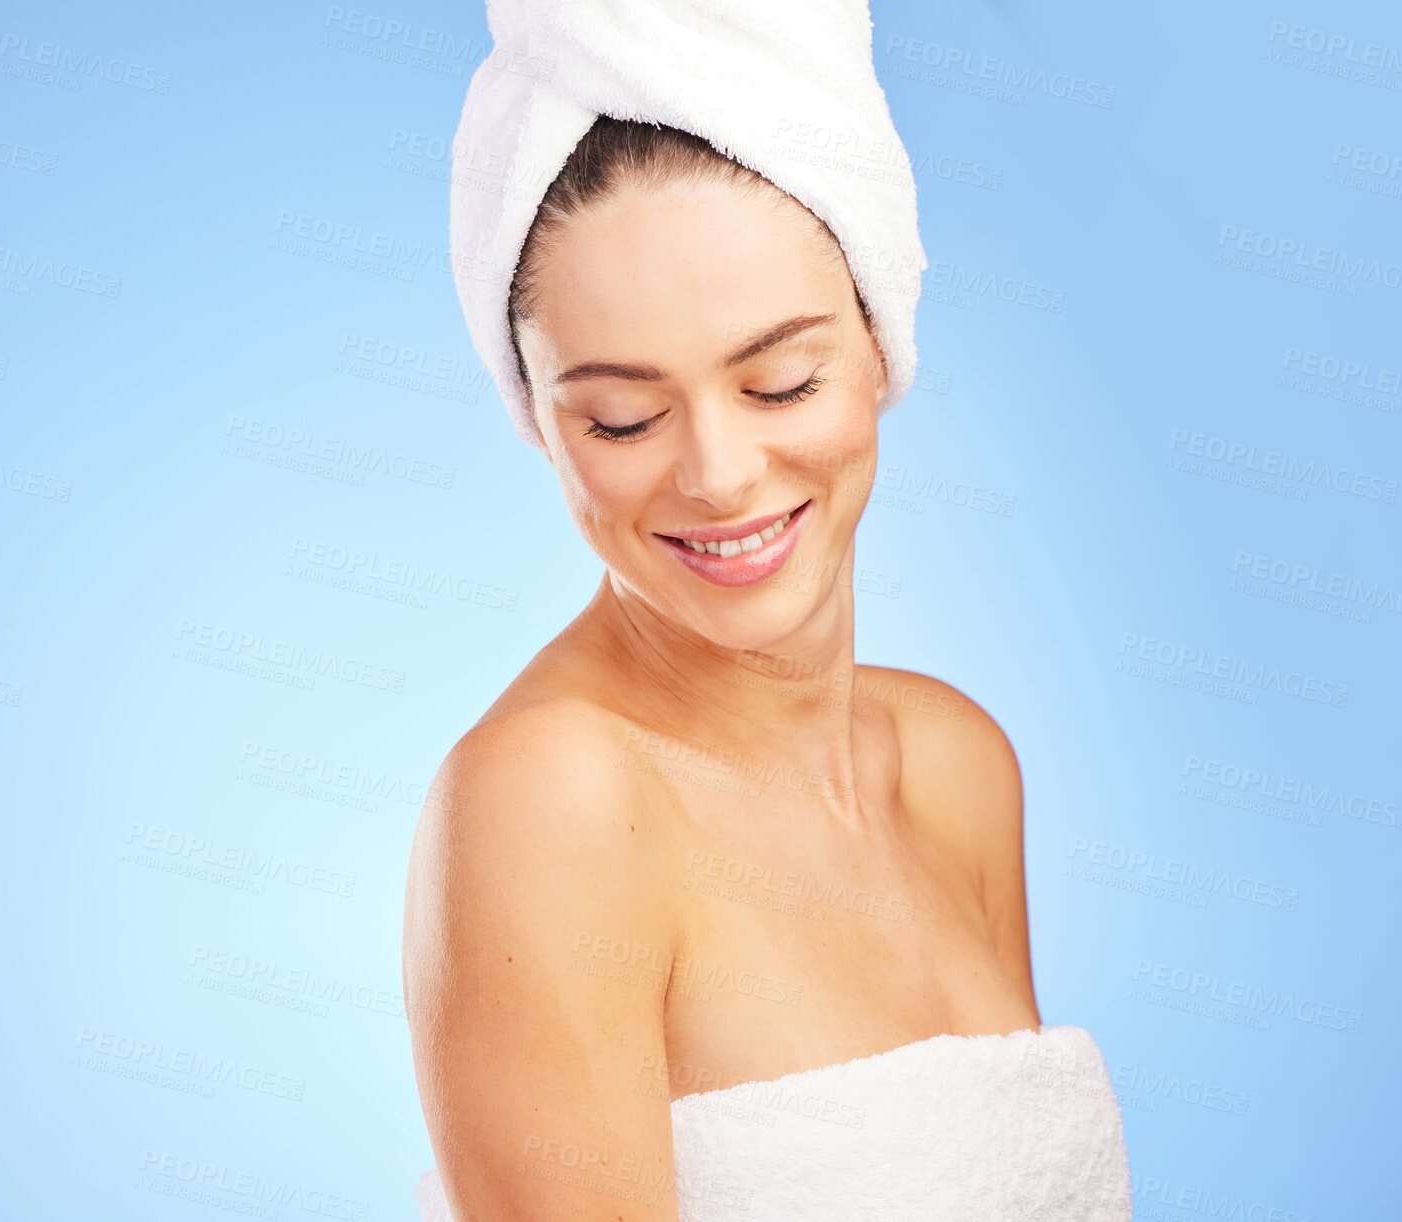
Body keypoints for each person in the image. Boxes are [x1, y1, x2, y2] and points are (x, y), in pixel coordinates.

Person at [406, 6, 1131, 1220]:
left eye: (780, 380)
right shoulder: (554, 802)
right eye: (624, 419)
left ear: (879, 337)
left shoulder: (954, 765)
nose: (720, 473)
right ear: (539, 420)